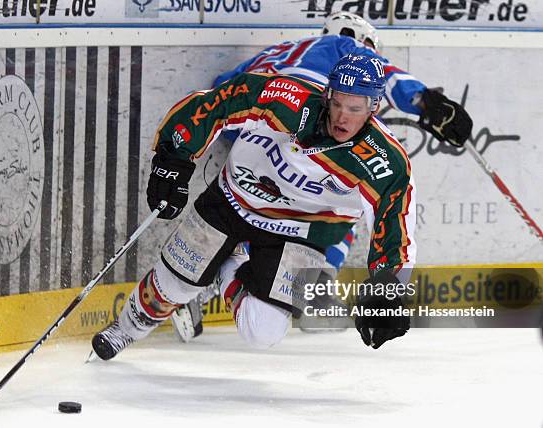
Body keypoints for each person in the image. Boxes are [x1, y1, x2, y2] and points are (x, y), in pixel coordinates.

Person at [91, 51, 417, 360]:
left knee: (263, 332)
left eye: (355, 108)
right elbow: (217, 103)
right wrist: (173, 156)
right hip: (234, 201)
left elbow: (395, 231)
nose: (343, 117)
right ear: (328, 95)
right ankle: (125, 329)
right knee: (174, 284)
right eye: (338, 103)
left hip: (305, 234)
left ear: (373, 107)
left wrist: (388, 291)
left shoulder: (386, 162)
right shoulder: (286, 97)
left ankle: (226, 268)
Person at [169, 11, 473, 341]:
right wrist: (428, 102)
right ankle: (318, 279)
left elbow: (224, 86)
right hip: (300, 139)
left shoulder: (280, 51)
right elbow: (393, 80)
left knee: (257, 211)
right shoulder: (346, 49)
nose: (372, 55)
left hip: (251, 135)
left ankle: (204, 284)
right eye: (370, 46)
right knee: (341, 200)